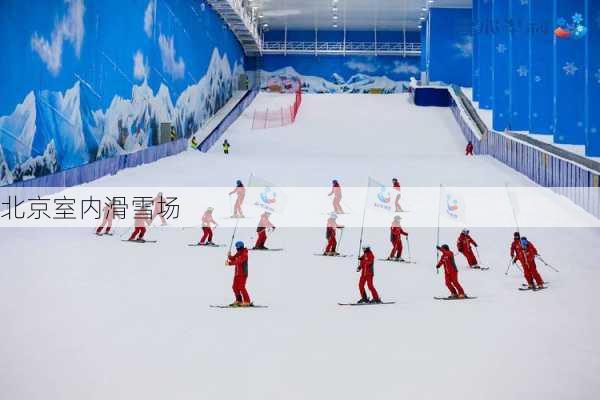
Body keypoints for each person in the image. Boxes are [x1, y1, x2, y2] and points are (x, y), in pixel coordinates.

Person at [226, 241, 252, 307]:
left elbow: (238, 261)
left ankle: (247, 301)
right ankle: (239, 300)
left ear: (241, 247)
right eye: (236, 247)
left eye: (237, 247)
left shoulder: (244, 253)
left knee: (241, 287)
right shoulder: (239, 253)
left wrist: (229, 263)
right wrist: (229, 256)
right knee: (234, 287)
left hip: (243, 273)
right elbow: (234, 259)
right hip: (237, 273)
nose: (237, 248)